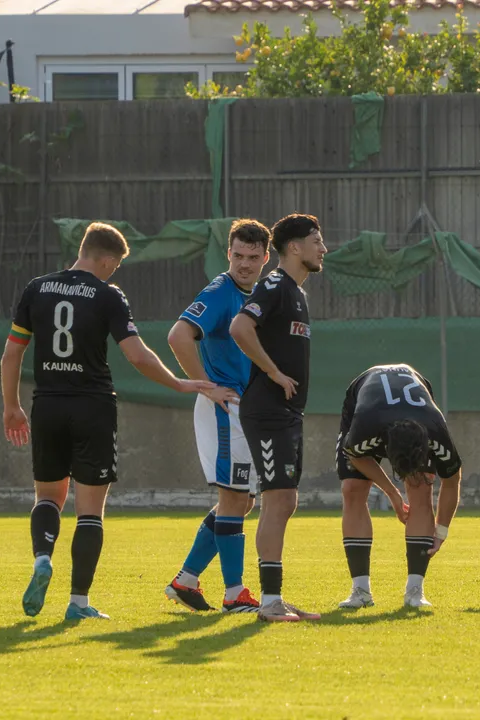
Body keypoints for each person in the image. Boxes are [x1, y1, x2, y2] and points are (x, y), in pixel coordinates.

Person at [2, 222, 216, 621]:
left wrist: (11, 406)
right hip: (93, 408)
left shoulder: (36, 288)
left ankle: (42, 559)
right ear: (103, 258)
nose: (113, 272)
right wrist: (178, 383)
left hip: (46, 405)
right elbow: (137, 355)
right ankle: (78, 604)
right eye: (114, 265)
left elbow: (11, 354)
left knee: (47, 496)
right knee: (90, 511)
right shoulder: (107, 295)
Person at [164, 219, 272, 613]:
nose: (244, 264)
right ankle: (234, 593)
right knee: (233, 497)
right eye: (238, 256)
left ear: (265, 256)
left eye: (252, 257)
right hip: (228, 407)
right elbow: (178, 335)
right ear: (228, 253)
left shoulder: (260, 291)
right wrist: (206, 385)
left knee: (242, 502)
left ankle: (186, 580)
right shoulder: (220, 290)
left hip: (248, 408)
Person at [230, 213, 327, 622]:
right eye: (317, 241)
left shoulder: (297, 293)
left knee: (284, 501)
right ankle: (269, 603)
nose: (324, 249)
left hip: (286, 412)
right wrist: (272, 372)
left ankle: (275, 598)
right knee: (277, 500)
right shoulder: (274, 285)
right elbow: (239, 327)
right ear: (294, 248)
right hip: (267, 411)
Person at [339, 364, 462, 608]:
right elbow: (356, 456)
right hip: (366, 401)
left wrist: (441, 532)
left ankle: (415, 591)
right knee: (352, 489)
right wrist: (393, 494)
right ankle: (360, 591)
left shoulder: (435, 430)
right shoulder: (366, 425)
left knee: (421, 487)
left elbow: (452, 480)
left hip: (415, 410)